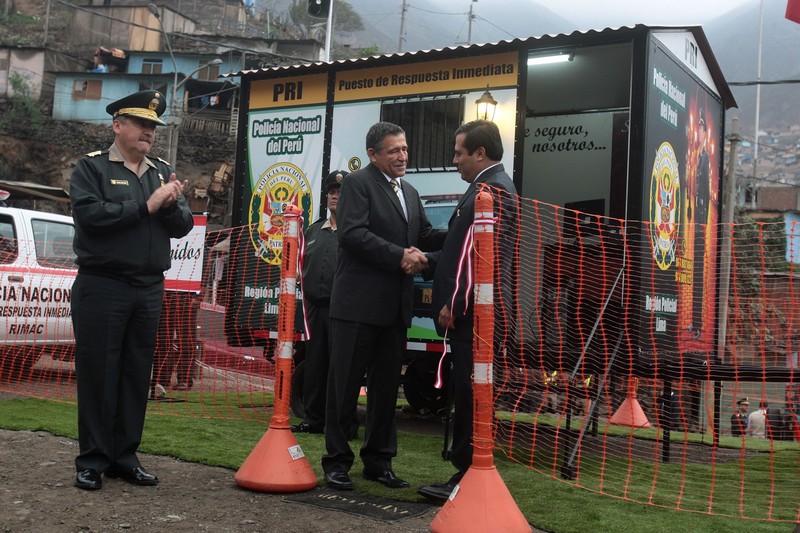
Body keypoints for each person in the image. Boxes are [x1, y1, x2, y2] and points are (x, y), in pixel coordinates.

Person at [70, 90, 194, 490]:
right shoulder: (92, 168)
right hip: (103, 284)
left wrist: (171, 203)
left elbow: (184, 225)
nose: (149, 132)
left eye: (154, 126)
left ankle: (125, 457)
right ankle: (92, 459)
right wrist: (147, 206)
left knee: (136, 373)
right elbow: (91, 217)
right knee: (98, 373)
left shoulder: (161, 171)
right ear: (117, 125)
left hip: (147, 287)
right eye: (142, 124)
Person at [322, 122, 446, 491]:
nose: (403, 156)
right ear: (374, 154)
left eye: (405, 149)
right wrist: (400, 257)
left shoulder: (409, 191)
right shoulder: (358, 184)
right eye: (394, 150)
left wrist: (460, 228)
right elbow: (353, 234)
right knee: (344, 388)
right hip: (357, 306)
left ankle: (379, 461)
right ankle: (337, 461)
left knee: (386, 388)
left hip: (394, 309)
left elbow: (423, 235)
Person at [418, 120, 517, 503]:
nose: (454, 159)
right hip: (477, 313)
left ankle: (467, 474)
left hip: (474, 316)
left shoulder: (490, 191)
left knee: (471, 391)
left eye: (459, 152)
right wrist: (426, 259)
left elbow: (475, 258)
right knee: (469, 390)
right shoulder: (488, 187)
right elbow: (460, 253)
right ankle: (468, 471)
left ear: (480, 153)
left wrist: (454, 302)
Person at [292, 170, 355, 436]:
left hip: (344, 310)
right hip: (315, 309)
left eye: (340, 194)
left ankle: (343, 425)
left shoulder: (354, 232)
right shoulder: (314, 230)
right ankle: (314, 419)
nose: (334, 197)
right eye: (331, 192)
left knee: (342, 369)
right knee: (315, 365)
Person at [152, 290, 201, 395]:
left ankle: (185, 380)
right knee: (163, 340)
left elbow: (204, 274)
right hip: (165, 294)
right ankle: (161, 378)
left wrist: (198, 295)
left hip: (187, 295)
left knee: (186, 340)